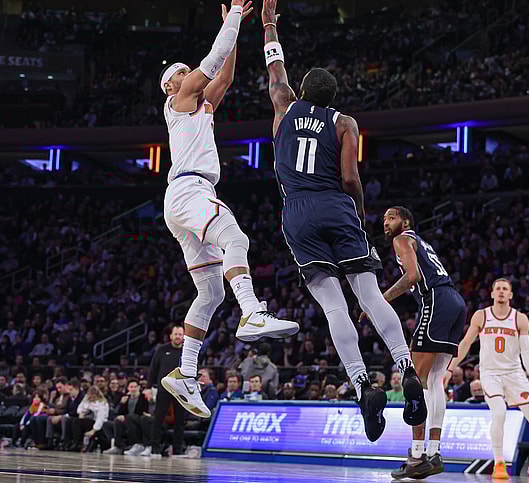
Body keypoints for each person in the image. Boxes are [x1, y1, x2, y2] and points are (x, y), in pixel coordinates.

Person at [260, 0, 425, 444]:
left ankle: (360, 384)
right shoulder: (345, 122)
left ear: (300, 92)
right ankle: (405, 368)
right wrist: (359, 213)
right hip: (337, 205)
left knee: (334, 307)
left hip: (296, 210)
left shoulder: (282, 107)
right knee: (369, 295)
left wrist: (269, 24)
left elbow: (276, 71)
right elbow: (352, 177)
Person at [158, 0, 300, 420]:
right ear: (171, 86)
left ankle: (184, 373)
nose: (189, 76)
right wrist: (237, 12)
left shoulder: (200, 105)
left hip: (183, 198)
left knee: (211, 291)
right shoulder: (179, 98)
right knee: (235, 237)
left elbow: (226, 73)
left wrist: (230, 28)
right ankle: (253, 312)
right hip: (189, 190)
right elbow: (211, 61)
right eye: (182, 73)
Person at [377, 206, 467, 479]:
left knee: (415, 380)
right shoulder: (421, 241)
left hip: (436, 301)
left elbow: (413, 276)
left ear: (405, 221)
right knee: (436, 380)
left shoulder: (402, 239)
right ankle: (434, 453)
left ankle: (417, 456)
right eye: (383, 219)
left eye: (391, 217)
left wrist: (380, 300)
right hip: (455, 302)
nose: (385, 222)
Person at [447, 279, 529, 481]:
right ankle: (499, 462)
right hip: (490, 373)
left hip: (514, 373)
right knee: (499, 413)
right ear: (492, 294)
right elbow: (466, 342)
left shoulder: (519, 319)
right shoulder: (481, 316)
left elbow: (527, 351)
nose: (501, 292)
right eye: (498, 289)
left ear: (511, 295)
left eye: (505, 289)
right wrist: (450, 369)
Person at [150, 326, 187, 455]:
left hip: (181, 390)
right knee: (158, 418)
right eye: (175, 334)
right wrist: (149, 387)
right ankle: (154, 447)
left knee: (180, 420)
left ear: (183, 336)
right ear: (171, 336)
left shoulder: (187, 351)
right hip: (164, 389)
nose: (178, 337)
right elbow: (153, 369)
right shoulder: (162, 350)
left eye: (180, 334)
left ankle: (177, 449)